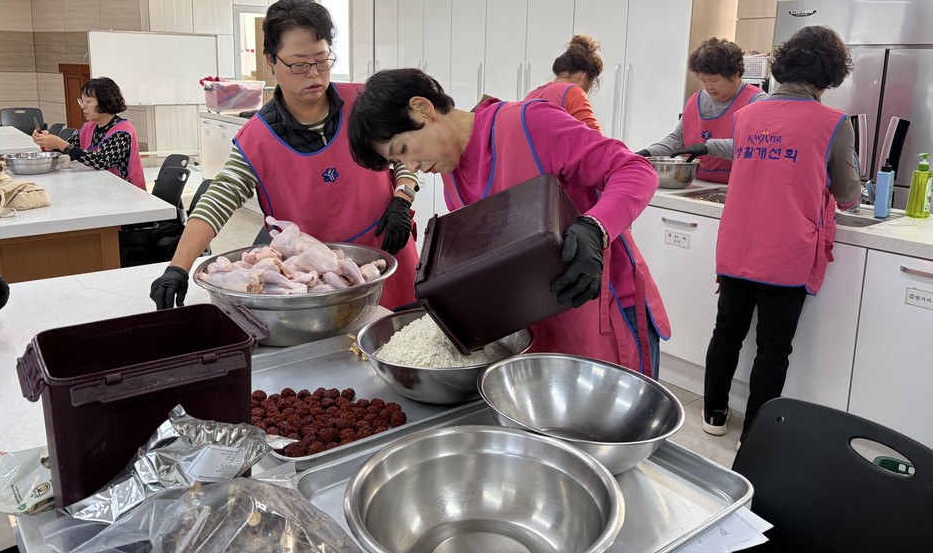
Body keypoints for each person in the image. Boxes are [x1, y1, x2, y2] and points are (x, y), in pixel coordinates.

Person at [348, 68, 670, 378]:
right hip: (542, 326)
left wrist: (594, 227)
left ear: (422, 109)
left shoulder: (529, 124)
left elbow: (635, 171)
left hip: (605, 312)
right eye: (399, 163)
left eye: (403, 150)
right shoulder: (452, 176)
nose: (412, 166)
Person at [149, 0, 419, 311]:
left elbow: (406, 154)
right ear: (271, 61)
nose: (315, 74)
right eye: (300, 64)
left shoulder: (362, 104)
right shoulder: (258, 138)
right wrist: (178, 267)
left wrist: (402, 198)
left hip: (387, 255)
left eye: (321, 60)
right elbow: (219, 197)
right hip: (316, 284)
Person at [702, 25, 860, 446]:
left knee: (727, 332)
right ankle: (754, 430)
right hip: (786, 251)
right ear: (829, 74)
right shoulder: (833, 123)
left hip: (738, 244)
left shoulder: (747, 115)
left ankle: (714, 414)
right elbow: (847, 195)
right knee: (773, 349)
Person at [637, 38, 766, 183]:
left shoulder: (757, 102)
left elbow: (754, 145)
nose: (708, 87)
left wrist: (707, 147)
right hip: (696, 182)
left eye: (714, 81)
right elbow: (677, 140)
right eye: (704, 80)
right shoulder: (696, 99)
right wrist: (645, 154)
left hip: (735, 185)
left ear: (735, 75)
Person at [31, 77, 146, 189]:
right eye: (81, 101)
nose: (82, 106)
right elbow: (68, 153)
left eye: (88, 101)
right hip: (99, 187)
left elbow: (101, 161)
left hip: (126, 190)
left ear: (105, 102)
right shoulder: (89, 127)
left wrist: (60, 143)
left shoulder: (122, 131)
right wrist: (48, 143)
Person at [525, 34, 604, 132]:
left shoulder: (532, 95)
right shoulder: (573, 92)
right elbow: (596, 138)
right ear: (584, 77)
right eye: (591, 83)